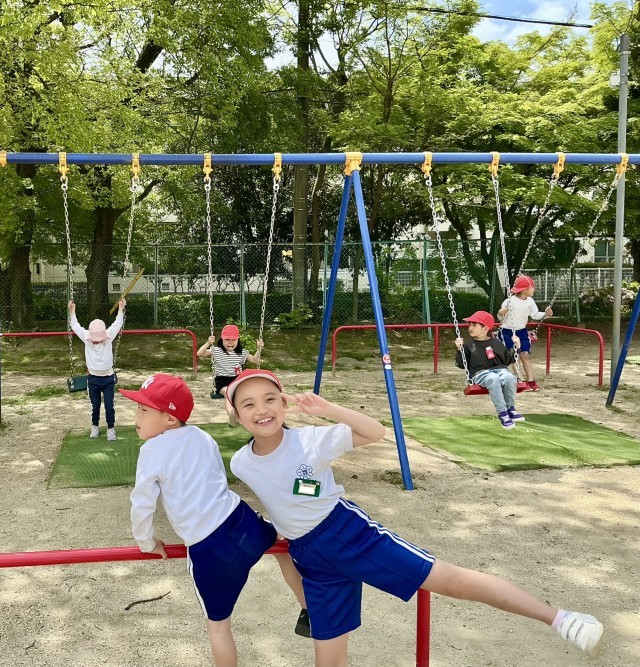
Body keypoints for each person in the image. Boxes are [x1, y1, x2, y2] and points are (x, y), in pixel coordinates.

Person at [227, 369, 604, 666]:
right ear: (236, 415)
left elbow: (374, 432)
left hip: (347, 534)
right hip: (312, 558)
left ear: (283, 403)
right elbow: (280, 497)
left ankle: (561, 618)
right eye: (249, 404)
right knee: (328, 659)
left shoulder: (309, 441)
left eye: (270, 399)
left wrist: (327, 409)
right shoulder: (242, 463)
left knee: (452, 581)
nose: (262, 409)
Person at [119, 373, 310, 667]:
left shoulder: (151, 450)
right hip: (241, 521)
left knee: (219, 627)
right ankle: (309, 609)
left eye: (144, 410)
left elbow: (142, 503)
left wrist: (146, 542)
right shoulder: (202, 436)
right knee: (279, 544)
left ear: (169, 418)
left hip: (209, 548)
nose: (136, 416)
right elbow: (218, 479)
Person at [455, 310, 524, 430]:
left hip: (500, 370)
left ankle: (510, 409)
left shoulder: (496, 342)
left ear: (485, 328)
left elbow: (508, 360)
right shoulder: (469, 345)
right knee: (493, 378)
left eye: (474, 325)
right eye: (469, 325)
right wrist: (459, 349)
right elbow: (461, 364)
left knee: (509, 377)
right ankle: (503, 414)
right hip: (480, 373)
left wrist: (517, 347)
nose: (470, 328)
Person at [69, 299, 125, 441]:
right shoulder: (86, 338)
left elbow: (118, 323)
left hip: (108, 378)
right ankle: (95, 426)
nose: (96, 342)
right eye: (94, 339)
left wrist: (121, 308)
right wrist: (72, 310)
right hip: (93, 379)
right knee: (95, 406)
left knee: (109, 406)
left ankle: (111, 428)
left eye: (99, 339)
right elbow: (75, 325)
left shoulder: (109, 337)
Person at [197, 324, 264, 426]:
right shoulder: (217, 351)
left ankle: (247, 415)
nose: (230, 342)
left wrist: (259, 349)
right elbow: (199, 353)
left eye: (233, 340)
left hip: (237, 380)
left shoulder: (242, 353)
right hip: (222, 380)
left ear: (238, 340)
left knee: (242, 395)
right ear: (222, 340)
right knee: (227, 392)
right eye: (227, 339)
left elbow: (255, 360)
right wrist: (208, 343)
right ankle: (232, 413)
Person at [497, 275, 552, 391]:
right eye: (532, 287)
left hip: (522, 330)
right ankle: (520, 379)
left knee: (525, 354)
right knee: (513, 355)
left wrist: (546, 314)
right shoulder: (509, 301)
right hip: (508, 331)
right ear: (524, 290)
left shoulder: (530, 301)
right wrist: (501, 312)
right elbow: (501, 318)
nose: (534, 289)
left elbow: (535, 315)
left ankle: (531, 380)